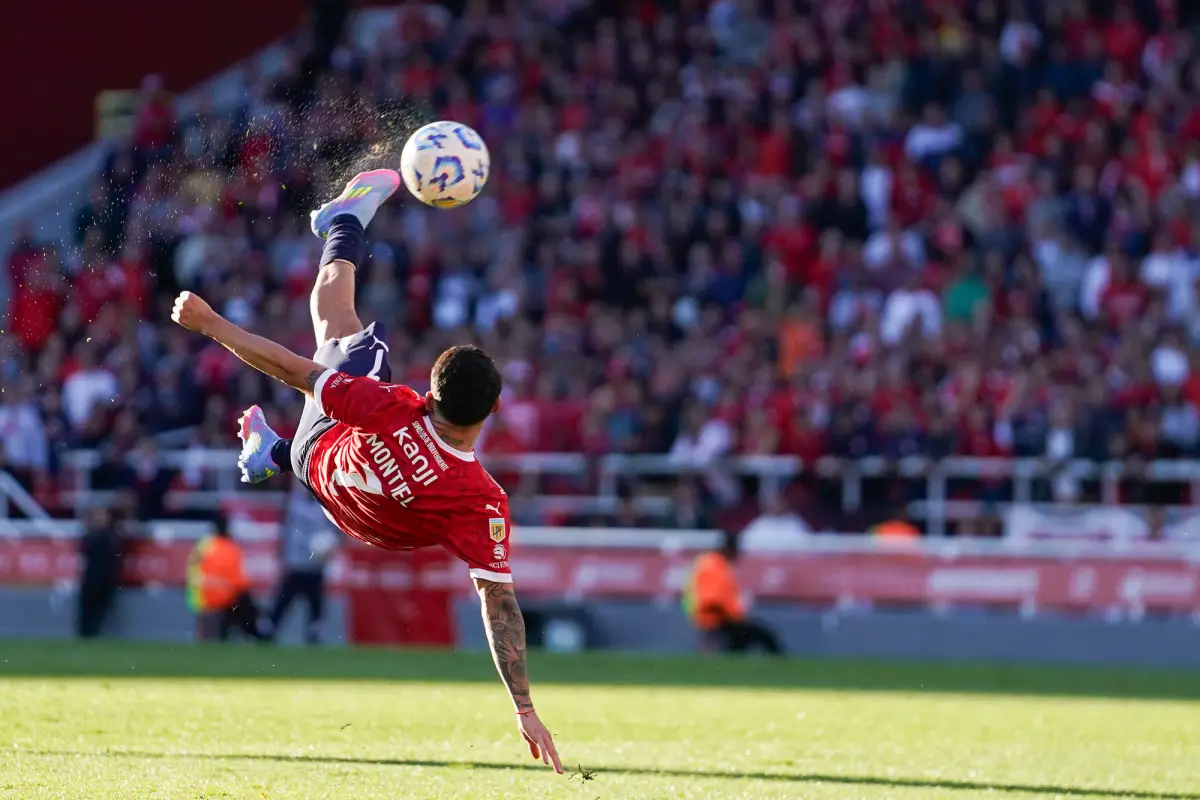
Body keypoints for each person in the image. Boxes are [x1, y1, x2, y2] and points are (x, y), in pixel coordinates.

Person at [169, 169, 562, 773]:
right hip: (348, 512)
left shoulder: (394, 407)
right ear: (494, 411)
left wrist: (212, 325)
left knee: (342, 333)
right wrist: (524, 708)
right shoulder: (481, 501)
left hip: (320, 458)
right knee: (337, 343)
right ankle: (270, 452)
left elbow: (292, 370)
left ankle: (344, 222)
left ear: (430, 394)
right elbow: (499, 604)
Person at [684, 531, 783, 655]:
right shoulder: (713, 566)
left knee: (745, 641)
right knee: (764, 637)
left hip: (721, 619)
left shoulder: (716, 563)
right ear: (729, 549)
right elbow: (711, 600)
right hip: (717, 621)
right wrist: (734, 618)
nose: (738, 555)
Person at [263, 480, 336, 644]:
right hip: (295, 564)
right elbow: (285, 533)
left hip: (315, 566)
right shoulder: (294, 505)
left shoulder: (325, 507)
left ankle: (315, 632)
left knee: (315, 604)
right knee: (283, 601)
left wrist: (328, 549)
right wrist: (282, 558)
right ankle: (269, 629)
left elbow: (333, 535)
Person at [187, 517, 266, 642]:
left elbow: (191, 570)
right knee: (245, 604)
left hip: (202, 599)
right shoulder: (231, 548)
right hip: (224, 598)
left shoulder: (203, 546)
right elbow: (240, 582)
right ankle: (258, 633)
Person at [77, 507, 123, 638]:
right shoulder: (90, 536)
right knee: (87, 611)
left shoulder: (112, 536)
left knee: (102, 612)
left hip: (106, 580)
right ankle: (86, 634)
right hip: (90, 580)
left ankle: (96, 634)